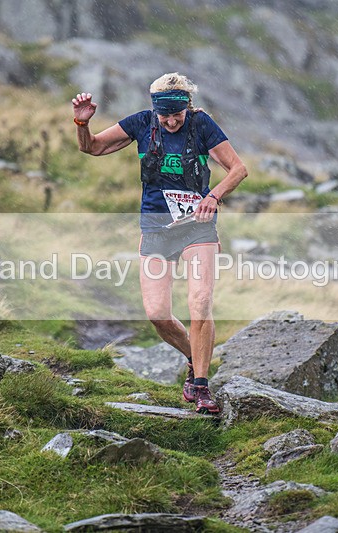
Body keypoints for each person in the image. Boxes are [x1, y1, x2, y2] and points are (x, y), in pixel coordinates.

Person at [72, 72, 247, 413]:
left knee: (200, 302)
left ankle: (201, 388)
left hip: (198, 226)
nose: (170, 122)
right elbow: (91, 147)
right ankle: (194, 360)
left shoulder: (201, 125)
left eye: (176, 115)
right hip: (155, 226)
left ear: (187, 108)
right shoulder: (140, 123)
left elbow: (238, 169)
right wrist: (81, 123)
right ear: (155, 110)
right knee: (157, 314)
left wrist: (213, 196)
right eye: (164, 115)